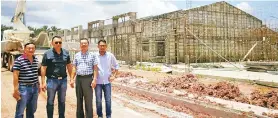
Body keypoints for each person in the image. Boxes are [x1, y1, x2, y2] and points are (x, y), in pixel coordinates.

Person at [40, 36, 72, 118]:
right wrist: (43, 82)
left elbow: (69, 66)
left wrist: (71, 78)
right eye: (56, 42)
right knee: (50, 101)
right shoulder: (47, 53)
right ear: (52, 43)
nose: (58, 44)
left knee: (62, 101)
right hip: (51, 80)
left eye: (60, 42)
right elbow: (43, 67)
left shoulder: (66, 53)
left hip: (63, 80)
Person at [70, 38, 98, 118]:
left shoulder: (92, 55)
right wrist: (72, 79)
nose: (83, 45)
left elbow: (95, 68)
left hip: (88, 79)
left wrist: (94, 79)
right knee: (79, 100)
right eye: (82, 43)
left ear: (88, 45)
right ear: (80, 45)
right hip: (78, 79)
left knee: (88, 101)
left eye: (85, 43)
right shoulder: (77, 55)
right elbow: (74, 68)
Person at [13, 42, 40, 118]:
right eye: (29, 48)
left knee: (32, 109)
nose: (31, 50)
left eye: (33, 48)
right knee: (20, 110)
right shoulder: (19, 60)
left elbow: (35, 73)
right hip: (24, 88)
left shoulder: (35, 59)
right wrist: (15, 89)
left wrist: (39, 85)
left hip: (34, 88)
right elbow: (15, 75)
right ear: (25, 49)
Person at [95, 39, 119, 118]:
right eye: (100, 46)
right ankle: (100, 116)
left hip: (107, 82)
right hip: (97, 82)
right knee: (98, 101)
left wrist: (114, 76)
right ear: (98, 46)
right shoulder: (94, 56)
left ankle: (108, 116)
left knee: (108, 100)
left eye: (103, 46)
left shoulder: (110, 55)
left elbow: (116, 66)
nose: (102, 47)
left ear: (106, 47)